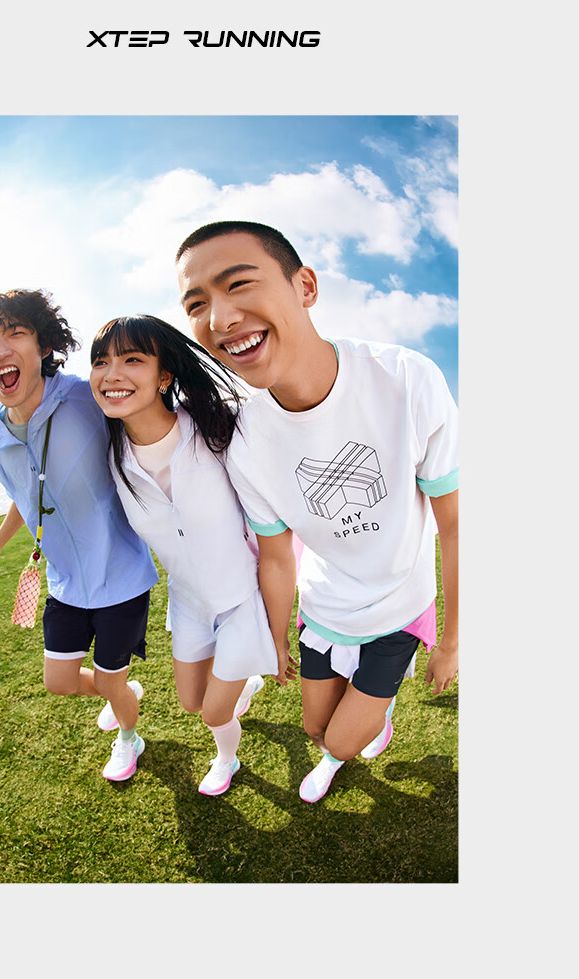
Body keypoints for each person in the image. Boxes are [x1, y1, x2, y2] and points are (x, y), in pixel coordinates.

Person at [175, 221, 458, 803]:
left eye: (238, 284)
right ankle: (355, 719)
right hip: (326, 605)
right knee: (312, 726)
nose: (220, 318)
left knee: (342, 741)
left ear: (304, 286)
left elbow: (456, 527)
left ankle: (359, 730)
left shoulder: (406, 379)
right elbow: (277, 556)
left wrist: (453, 640)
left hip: (402, 604)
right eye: (197, 304)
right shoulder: (244, 440)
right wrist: (275, 637)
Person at [0, 289, 159, 782]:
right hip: (65, 582)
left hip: (120, 576)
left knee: (110, 680)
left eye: (15, 333)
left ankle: (128, 737)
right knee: (60, 680)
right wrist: (1, 539)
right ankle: (121, 693)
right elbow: (26, 494)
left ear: (44, 346)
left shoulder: (86, 397)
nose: (0, 350)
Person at [88, 314, 277, 796]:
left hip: (242, 595)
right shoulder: (110, 455)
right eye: (101, 362)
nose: (112, 374)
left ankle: (227, 758)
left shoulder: (215, 427)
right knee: (192, 701)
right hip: (188, 601)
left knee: (213, 713)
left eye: (133, 360)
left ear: (164, 376)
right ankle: (242, 683)